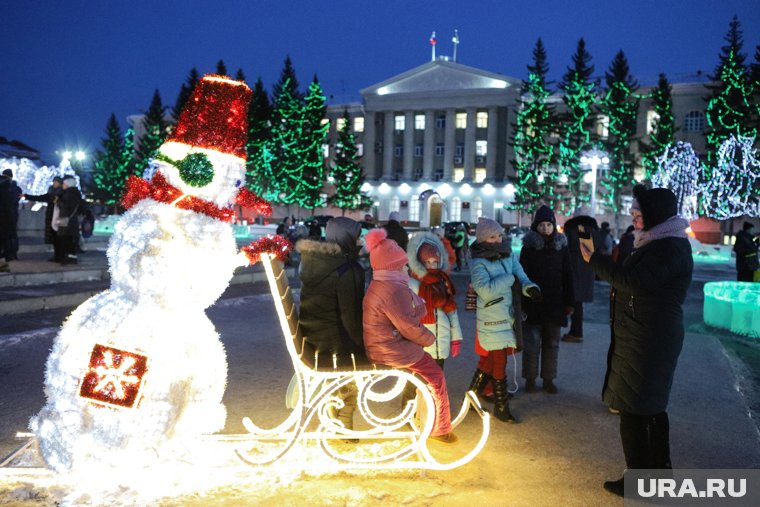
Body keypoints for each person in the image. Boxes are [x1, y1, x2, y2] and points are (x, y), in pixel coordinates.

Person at [579, 184, 693, 497]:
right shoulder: (657, 241)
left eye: (639, 212)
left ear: (655, 214)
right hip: (643, 335)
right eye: (633, 211)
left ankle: (643, 482)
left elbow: (634, 282)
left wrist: (595, 261)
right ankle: (657, 476)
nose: (633, 216)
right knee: (647, 408)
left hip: (649, 339)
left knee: (635, 410)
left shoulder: (668, 247)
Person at [362, 228, 457, 443]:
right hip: (391, 349)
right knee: (435, 375)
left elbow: (404, 315)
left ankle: (425, 417)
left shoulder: (383, 284)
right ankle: (440, 428)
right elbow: (408, 326)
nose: (406, 267)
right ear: (393, 266)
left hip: (384, 344)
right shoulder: (392, 289)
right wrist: (429, 339)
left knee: (426, 372)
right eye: (402, 264)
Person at [468, 217, 540, 423]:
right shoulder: (478, 261)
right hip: (491, 318)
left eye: (499, 235)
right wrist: (509, 279)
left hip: (508, 316)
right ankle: (501, 407)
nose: (498, 240)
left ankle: (471, 396)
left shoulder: (507, 255)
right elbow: (485, 290)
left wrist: (530, 288)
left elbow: (521, 275)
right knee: (499, 361)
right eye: (492, 237)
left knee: (491, 361)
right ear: (482, 239)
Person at [296, 217, 365, 432]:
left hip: (313, 336)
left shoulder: (313, 260)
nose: (360, 240)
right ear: (347, 238)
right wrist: (364, 343)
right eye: (356, 236)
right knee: (362, 358)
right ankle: (344, 420)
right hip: (334, 342)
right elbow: (350, 317)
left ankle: (334, 413)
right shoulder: (347, 269)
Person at [519, 206, 574, 394]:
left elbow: (568, 276)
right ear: (536, 226)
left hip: (555, 305)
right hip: (533, 304)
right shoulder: (528, 248)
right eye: (541, 224)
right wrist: (521, 301)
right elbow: (521, 275)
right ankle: (530, 379)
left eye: (549, 224)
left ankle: (549, 379)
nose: (545, 228)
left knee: (552, 344)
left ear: (554, 225)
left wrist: (569, 302)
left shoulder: (562, 248)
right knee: (532, 344)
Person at [407, 231, 463, 369]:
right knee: (419, 381)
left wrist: (456, 338)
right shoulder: (413, 284)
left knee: (436, 380)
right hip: (420, 344)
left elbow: (452, 312)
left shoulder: (443, 282)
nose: (432, 266)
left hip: (441, 342)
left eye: (435, 262)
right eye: (427, 262)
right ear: (420, 262)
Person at [560, 207, 599, 343]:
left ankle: (576, 332)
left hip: (576, 271)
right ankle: (575, 331)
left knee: (575, 301)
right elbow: (589, 253)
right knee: (577, 302)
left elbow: (581, 252)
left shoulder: (580, 228)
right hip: (585, 271)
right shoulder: (591, 229)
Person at [24, 176, 64, 262]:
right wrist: (26, 196)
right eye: (53, 182)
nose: (54, 183)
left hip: (59, 217)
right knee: (54, 238)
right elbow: (40, 198)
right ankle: (57, 256)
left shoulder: (62, 193)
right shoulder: (51, 193)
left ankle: (61, 256)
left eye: (56, 182)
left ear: (60, 183)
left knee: (59, 238)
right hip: (51, 217)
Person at [53, 175, 83, 265]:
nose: (63, 185)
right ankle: (70, 257)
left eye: (64, 183)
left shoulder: (70, 193)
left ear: (68, 184)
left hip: (68, 220)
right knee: (67, 239)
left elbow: (67, 206)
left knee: (67, 238)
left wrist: (58, 202)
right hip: (68, 220)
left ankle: (71, 257)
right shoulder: (71, 192)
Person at [0, 169, 21, 262]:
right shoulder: (13, 188)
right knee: (8, 235)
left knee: (10, 235)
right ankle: (9, 254)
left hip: (10, 214)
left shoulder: (14, 188)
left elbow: (14, 201)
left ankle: (11, 254)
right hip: (8, 214)